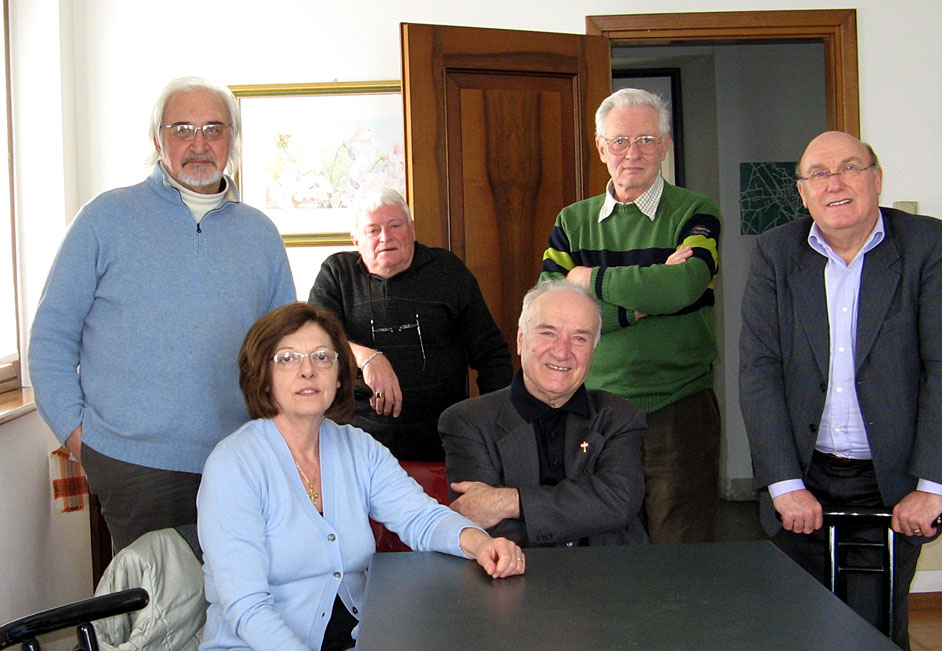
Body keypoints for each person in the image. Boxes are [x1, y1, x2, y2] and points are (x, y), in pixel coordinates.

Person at [28, 77, 295, 552]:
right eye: (182, 129)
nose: (199, 144)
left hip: (239, 458)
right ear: (157, 140)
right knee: (152, 597)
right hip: (133, 465)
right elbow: (51, 339)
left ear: (232, 140)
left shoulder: (260, 234)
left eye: (213, 129)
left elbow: (285, 351)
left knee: (239, 591)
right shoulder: (104, 218)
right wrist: (80, 439)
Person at [739, 130, 942, 647]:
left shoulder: (929, 245)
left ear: (877, 179)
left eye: (850, 168)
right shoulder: (776, 252)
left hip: (895, 479)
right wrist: (783, 483)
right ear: (803, 193)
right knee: (798, 628)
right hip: (805, 474)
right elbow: (759, 371)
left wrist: (932, 486)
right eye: (819, 174)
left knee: (873, 631)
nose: (835, 184)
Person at [197, 302, 524, 650]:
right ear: (263, 378)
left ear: (340, 376)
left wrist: (482, 544)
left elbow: (421, 517)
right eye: (288, 358)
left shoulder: (358, 447)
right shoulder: (234, 466)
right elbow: (247, 607)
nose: (308, 371)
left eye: (322, 357)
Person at [539, 88, 723, 544]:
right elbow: (550, 309)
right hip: (592, 410)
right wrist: (641, 303)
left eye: (646, 140)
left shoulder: (696, 211)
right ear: (601, 148)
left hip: (677, 409)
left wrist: (588, 280)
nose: (632, 153)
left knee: (680, 551)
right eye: (620, 141)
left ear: (665, 145)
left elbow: (683, 286)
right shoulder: (572, 222)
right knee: (604, 549)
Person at [308, 188, 512, 462]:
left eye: (395, 226)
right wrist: (366, 357)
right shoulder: (337, 273)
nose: (385, 237)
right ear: (356, 240)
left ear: (412, 230)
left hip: (443, 441)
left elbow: (491, 353)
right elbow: (314, 342)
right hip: (356, 443)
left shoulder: (447, 271)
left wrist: (498, 428)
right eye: (373, 230)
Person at [440, 280, 647, 548]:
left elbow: (619, 501)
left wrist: (511, 501)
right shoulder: (467, 422)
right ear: (520, 340)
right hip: (517, 569)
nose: (562, 351)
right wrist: (586, 509)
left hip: (610, 569)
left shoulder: (620, 417)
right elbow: (482, 522)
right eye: (548, 333)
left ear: (593, 351)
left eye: (579, 338)